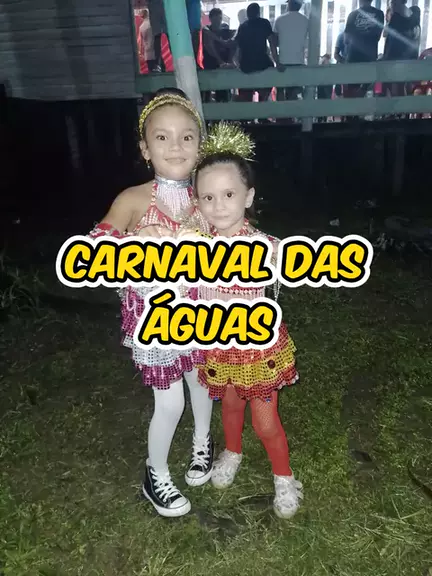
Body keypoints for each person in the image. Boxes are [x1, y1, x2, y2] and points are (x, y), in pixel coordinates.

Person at [88, 90, 214, 518]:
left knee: (201, 381)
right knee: (170, 402)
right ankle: (154, 473)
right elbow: (95, 248)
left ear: (200, 144)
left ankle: (202, 443)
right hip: (156, 319)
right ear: (145, 148)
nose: (175, 146)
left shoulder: (205, 196)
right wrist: (132, 244)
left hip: (202, 310)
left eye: (186, 137)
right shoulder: (134, 199)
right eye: (162, 137)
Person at [192, 122, 303, 520]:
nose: (219, 205)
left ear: (248, 196)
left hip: (257, 350)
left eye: (229, 194)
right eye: (208, 196)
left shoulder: (266, 247)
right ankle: (232, 451)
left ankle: (284, 476)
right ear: (197, 202)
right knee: (229, 405)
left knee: (265, 422)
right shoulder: (194, 246)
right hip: (218, 345)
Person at [234, 3, 276, 103]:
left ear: (248, 14)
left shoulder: (243, 27)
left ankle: (247, 110)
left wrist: (236, 64)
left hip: (246, 65)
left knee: (246, 97)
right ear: (258, 13)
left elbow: (237, 47)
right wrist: (277, 61)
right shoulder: (264, 23)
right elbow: (272, 42)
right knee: (269, 77)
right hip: (262, 63)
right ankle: (263, 101)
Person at [344, 0, 384, 98]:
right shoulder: (379, 14)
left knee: (351, 91)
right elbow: (377, 36)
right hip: (369, 57)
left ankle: (352, 107)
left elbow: (346, 39)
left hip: (353, 57)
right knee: (366, 90)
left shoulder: (352, 15)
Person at [273, 0, 309, 101]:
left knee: (280, 90)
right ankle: (294, 110)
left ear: (289, 4)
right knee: (294, 91)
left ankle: (281, 111)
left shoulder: (279, 20)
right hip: (299, 62)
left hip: (283, 62)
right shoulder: (305, 20)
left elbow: (274, 43)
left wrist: (277, 61)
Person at [202, 8, 234, 102]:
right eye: (215, 19)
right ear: (210, 19)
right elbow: (206, 35)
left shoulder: (225, 31)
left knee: (223, 95)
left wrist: (229, 61)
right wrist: (222, 42)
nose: (218, 21)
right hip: (210, 65)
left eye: (219, 18)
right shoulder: (206, 30)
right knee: (206, 94)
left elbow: (233, 43)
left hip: (224, 67)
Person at [334, 31, 347, 97]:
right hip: (344, 67)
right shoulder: (342, 36)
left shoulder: (341, 35)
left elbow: (336, 54)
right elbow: (336, 54)